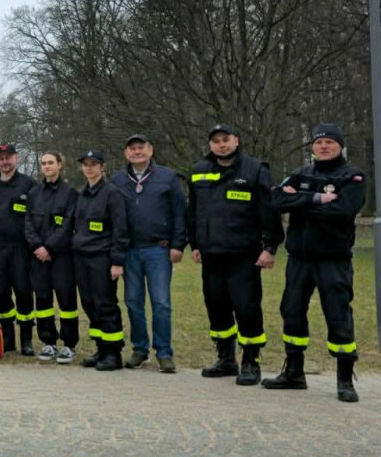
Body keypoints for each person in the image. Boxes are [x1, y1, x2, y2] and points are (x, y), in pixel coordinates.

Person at [264, 124, 366, 403]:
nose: (323, 146)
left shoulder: (352, 176)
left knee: (338, 316)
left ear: (340, 146)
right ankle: (294, 373)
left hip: (333, 259)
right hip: (300, 258)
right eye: (319, 142)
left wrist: (297, 204)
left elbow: (342, 210)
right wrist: (314, 199)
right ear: (312, 147)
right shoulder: (301, 173)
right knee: (292, 310)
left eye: (330, 142)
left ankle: (345, 380)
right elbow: (275, 199)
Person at [186, 124, 284, 386]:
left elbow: (269, 211)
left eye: (226, 139)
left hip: (245, 254)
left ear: (236, 141)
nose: (221, 144)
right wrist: (194, 243)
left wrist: (270, 247)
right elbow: (193, 212)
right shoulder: (198, 171)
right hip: (211, 254)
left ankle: (251, 361)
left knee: (246, 307)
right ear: (210, 145)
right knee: (216, 306)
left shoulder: (255, 169)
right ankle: (226, 358)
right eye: (216, 140)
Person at [111, 134, 187, 373]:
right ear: (126, 153)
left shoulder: (168, 177)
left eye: (140, 148)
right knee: (133, 302)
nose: (136, 152)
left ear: (150, 150)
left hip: (159, 249)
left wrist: (178, 244)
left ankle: (164, 352)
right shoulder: (117, 180)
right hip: (130, 250)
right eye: (131, 148)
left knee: (161, 302)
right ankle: (139, 349)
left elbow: (179, 213)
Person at [70, 150, 130, 371]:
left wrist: (117, 261)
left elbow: (120, 229)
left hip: (102, 257)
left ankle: (114, 353)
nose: (89, 168)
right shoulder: (81, 194)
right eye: (85, 164)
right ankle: (101, 347)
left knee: (105, 303)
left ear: (102, 167)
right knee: (88, 302)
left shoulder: (112, 193)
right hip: (81, 257)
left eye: (93, 164)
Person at [0, 142, 36, 356]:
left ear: (16, 158)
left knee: (23, 291)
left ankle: (27, 339)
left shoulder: (29, 185)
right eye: (1, 158)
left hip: (21, 249)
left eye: (8, 157)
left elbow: (37, 218)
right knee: (0, 292)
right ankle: (8, 338)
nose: (5, 162)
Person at [24, 151, 80, 363]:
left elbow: (68, 225)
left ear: (60, 165)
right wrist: (38, 247)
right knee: (43, 300)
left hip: (62, 256)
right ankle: (48, 342)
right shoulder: (34, 193)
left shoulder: (70, 193)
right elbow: (28, 223)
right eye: (44, 163)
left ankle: (68, 344)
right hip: (38, 256)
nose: (46, 166)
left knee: (66, 300)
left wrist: (49, 247)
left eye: (51, 163)